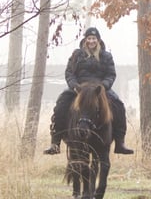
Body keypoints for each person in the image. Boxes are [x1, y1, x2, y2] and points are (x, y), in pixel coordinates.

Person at [43, 27, 134, 156]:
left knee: (118, 105)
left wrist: (104, 86)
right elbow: (69, 73)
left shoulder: (106, 56)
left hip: (99, 90)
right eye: (89, 38)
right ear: (85, 40)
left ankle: (120, 142)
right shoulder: (77, 55)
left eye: (94, 38)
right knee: (61, 104)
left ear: (98, 40)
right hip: (79, 90)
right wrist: (74, 85)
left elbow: (111, 74)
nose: (91, 41)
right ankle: (55, 142)